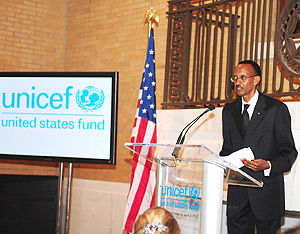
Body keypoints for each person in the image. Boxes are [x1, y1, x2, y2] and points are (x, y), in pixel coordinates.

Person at [220, 60, 298, 234]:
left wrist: (268, 165)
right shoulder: (228, 111)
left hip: (266, 193)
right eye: (234, 78)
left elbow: (289, 152)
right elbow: (227, 148)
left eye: (242, 77)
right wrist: (222, 161)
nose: (237, 82)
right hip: (238, 195)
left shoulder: (276, 109)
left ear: (256, 80)